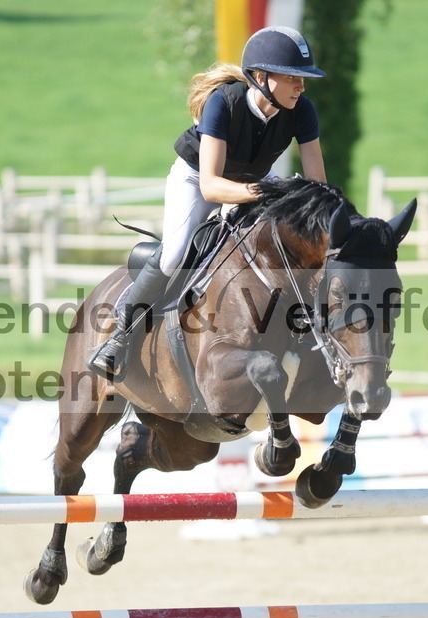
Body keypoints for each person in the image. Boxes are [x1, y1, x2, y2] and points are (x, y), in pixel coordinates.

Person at [88, 25, 328, 378]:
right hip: (198, 177)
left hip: (255, 180)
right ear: (261, 77)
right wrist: (266, 193)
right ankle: (118, 335)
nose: (302, 86)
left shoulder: (302, 109)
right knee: (176, 251)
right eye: (293, 77)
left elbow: (317, 188)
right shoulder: (224, 102)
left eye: (303, 79)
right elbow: (212, 187)